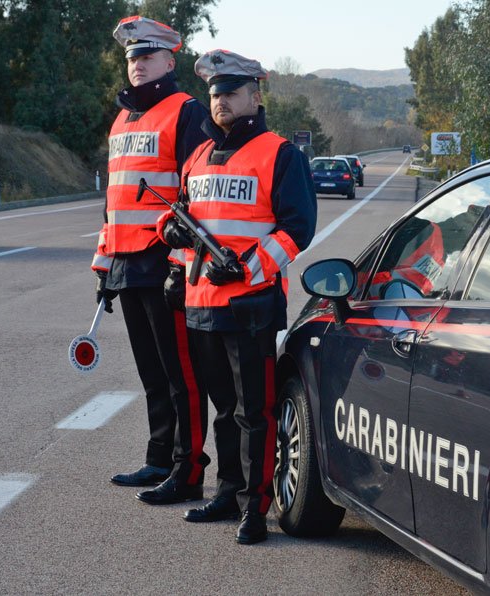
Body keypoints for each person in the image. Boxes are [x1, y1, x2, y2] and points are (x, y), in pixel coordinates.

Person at [155, 49, 317, 544]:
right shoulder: (198, 156)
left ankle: (255, 507)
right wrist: (171, 239)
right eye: (214, 93)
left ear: (254, 95)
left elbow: (297, 229)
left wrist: (247, 268)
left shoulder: (280, 153)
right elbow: (179, 217)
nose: (220, 101)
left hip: (250, 305)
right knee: (223, 408)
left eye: (230, 92)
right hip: (202, 304)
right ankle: (225, 493)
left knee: (254, 412)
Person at [91, 16, 209, 504]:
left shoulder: (186, 111)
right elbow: (113, 201)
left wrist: (182, 266)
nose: (137, 65)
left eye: (147, 56)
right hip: (125, 263)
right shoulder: (122, 118)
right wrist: (104, 267)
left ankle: (188, 470)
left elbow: (196, 195)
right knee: (151, 372)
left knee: (181, 373)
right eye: (132, 57)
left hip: (164, 266)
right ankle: (159, 458)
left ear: (169, 60)